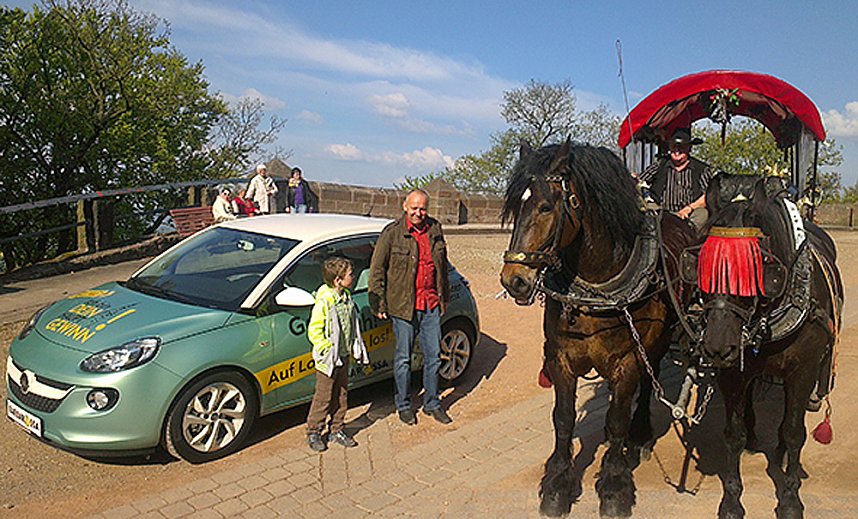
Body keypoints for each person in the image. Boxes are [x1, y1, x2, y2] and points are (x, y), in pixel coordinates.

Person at [368, 189, 452, 425]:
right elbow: (377, 270)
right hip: (404, 306)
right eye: (414, 208)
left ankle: (432, 403)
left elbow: (441, 267)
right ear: (405, 206)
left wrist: (443, 298)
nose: (418, 213)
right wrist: (378, 301)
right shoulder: (392, 233)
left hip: (431, 304)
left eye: (423, 208)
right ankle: (404, 404)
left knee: (434, 356)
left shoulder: (435, 228)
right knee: (403, 359)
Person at [305, 257, 370, 452]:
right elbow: (314, 330)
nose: (354, 276)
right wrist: (325, 347)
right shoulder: (325, 301)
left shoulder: (346, 297)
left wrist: (354, 345)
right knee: (324, 396)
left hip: (343, 355)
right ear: (338, 280)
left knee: (341, 394)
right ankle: (314, 431)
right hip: (328, 359)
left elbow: (351, 325)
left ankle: (336, 428)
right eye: (350, 274)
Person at [638, 128, 715, 229]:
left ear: (689, 148)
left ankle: (691, 239)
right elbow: (640, 181)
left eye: (681, 147)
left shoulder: (701, 169)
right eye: (674, 146)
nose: (677, 150)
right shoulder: (659, 165)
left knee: (703, 214)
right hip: (661, 212)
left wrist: (689, 208)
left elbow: (708, 194)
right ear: (669, 147)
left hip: (690, 214)